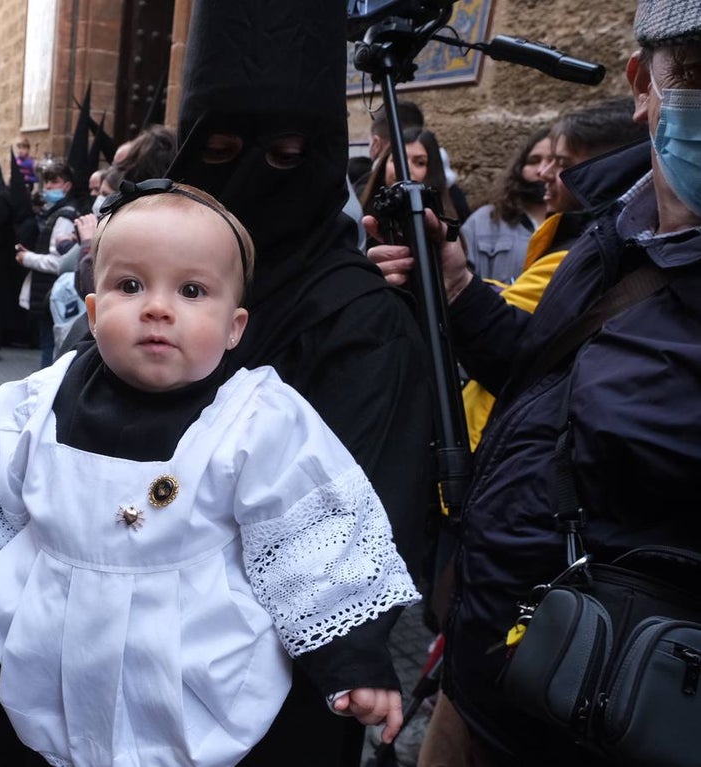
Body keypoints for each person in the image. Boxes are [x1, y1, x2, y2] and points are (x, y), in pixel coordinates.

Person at [0, 181, 418, 767]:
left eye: (191, 290)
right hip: (56, 645)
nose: (157, 307)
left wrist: (354, 658)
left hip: (183, 662)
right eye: (130, 285)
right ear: (95, 309)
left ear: (235, 327)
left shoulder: (257, 418)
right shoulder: (44, 396)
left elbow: (316, 536)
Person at [366, 2, 701, 762]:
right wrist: (454, 287)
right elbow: (543, 371)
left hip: (618, 712)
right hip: (487, 659)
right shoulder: (614, 229)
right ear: (645, 83)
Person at [168, 2, 435, 765]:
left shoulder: (359, 324)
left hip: (262, 689)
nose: (250, 177)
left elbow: (356, 532)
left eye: (285, 157)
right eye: (218, 152)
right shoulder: (159, 279)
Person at [459, 100, 649, 451]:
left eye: (562, 163)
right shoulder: (579, 236)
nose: (545, 173)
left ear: (610, 167)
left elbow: (507, 336)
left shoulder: (585, 253)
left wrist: (454, 282)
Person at [459, 129, 551, 285]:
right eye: (534, 160)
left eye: (552, 161)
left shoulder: (584, 226)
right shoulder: (483, 222)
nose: (542, 170)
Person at [17, 164, 80, 368]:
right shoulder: (54, 213)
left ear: (67, 186)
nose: (49, 187)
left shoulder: (64, 216)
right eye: (48, 182)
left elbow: (59, 262)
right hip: (47, 292)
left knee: (51, 352)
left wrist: (28, 258)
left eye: (55, 182)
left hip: (54, 293)